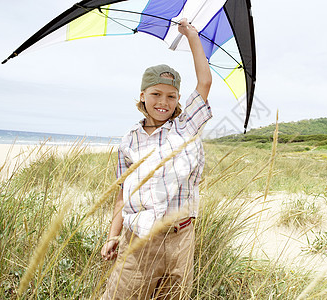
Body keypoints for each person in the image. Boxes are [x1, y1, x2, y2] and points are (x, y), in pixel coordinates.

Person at [100, 18, 212, 299]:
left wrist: (191, 36)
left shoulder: (186, 126)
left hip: (181, 238)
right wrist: (113, 236)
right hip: (138, 239)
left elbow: (205, 81)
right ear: (142, 95)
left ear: (178, 99)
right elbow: (121, 194)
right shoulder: (129, 141)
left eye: (171, 96)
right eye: (156, 94)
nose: (164, 102)